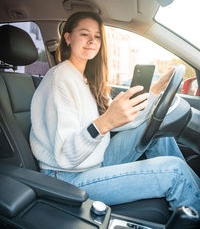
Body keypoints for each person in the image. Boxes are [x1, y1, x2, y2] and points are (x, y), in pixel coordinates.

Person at [30, 11, 200, 214]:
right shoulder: (59, 80)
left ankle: (192, 191)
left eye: (97, 36)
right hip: (67, 177)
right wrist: (105, 123)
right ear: (67, 37)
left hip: (94, 158)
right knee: (176, 172)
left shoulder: (85, 79)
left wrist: (154, 92)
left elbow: (123, 121)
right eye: (84, 34)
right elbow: (66, 156)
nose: (92, 40)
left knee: (155, 131)